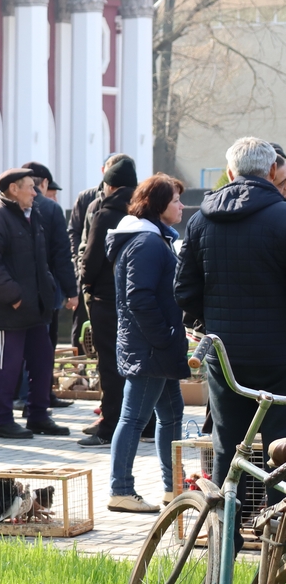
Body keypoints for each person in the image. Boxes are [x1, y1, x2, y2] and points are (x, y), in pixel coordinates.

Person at [176, 137, 286, 511]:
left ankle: (226, 539)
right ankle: (277, 539)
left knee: (228, 444)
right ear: (272, 171)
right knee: (280, 446)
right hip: (278, 355)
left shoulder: (201, 219)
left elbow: (184, 289)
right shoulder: (282, 216)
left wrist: (209, 324)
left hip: (224, 354)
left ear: (229, 172)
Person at [0, 169, 77, 439]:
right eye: (30, 187)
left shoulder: (33, 215)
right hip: (10, 311)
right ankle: (2, 420)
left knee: (42, 362)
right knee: (7, 366)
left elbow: (43, 259)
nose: (35, 192)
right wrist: (15, 297)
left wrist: (49, 289)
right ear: (13, 188)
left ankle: (38, 415)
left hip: (36, 308)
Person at [106, 174, 188, 513]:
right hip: (151, 348)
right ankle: (121, 490)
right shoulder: (147, 243)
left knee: (171, 414)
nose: (182, 206)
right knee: (134, 418)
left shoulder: (154, 238)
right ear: (157, 206)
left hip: (156, 348)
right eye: (175, 201)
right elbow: (138, 298)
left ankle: (173, 488)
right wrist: (163, 338)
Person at [77, 156, 139, 448]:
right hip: (134, 295)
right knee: (133, 361)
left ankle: (110, 424)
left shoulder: (106, 212)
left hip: (104, 296)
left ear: (110, 185)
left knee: (109, 363)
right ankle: (140, 422)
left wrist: (85, 283)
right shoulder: (143, 211)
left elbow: (91, 257)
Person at [22, 161, 76, 410]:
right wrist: (71, 291)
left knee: (19, 345)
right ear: (41, 182)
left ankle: (24, 395)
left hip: (17, 290)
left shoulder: (3, 207)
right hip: (48, 289)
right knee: (44, 345)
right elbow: (62, 254)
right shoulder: (51, 209)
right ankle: (39, 395)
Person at [68, 153, 126, 354]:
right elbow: (78, 235)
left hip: (102, 282)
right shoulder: (89, 199)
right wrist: (80, 264)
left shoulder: (117, 209)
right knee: (82, 326)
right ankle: (81, 373)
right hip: (90, 277)